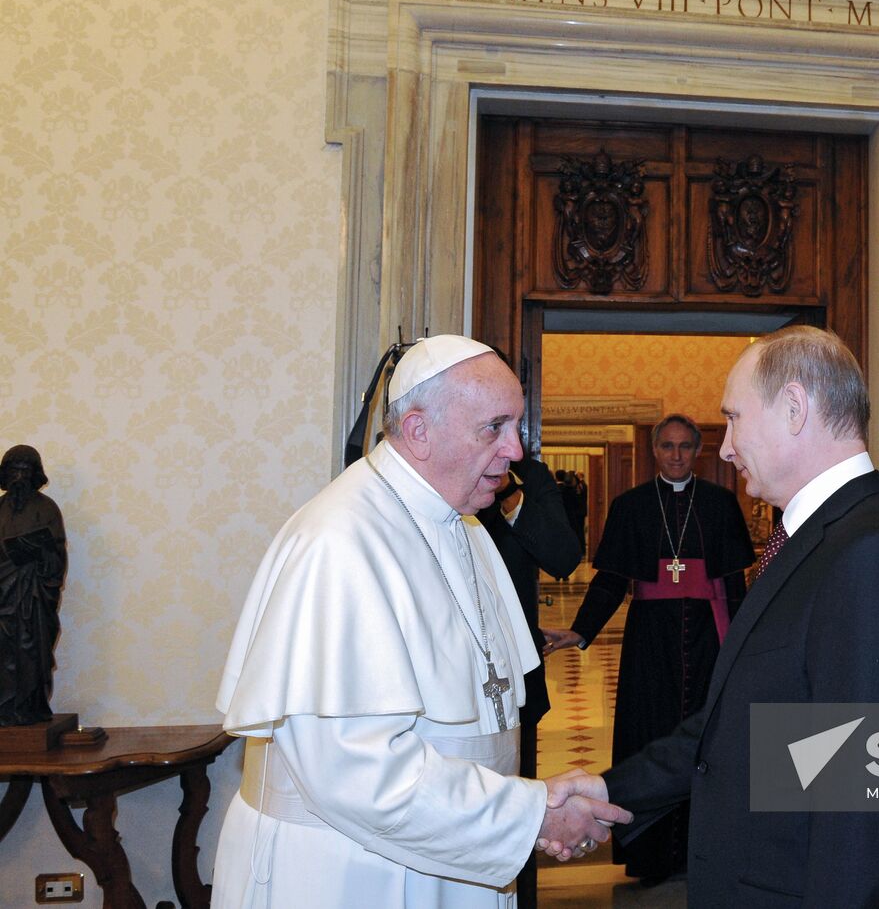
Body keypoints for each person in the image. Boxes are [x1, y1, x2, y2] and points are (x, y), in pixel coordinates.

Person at [211, 335, 630, 909]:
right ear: (418, 431)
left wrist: (530, 805)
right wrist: (528, 815)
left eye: (516, 427)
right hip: (355, 873)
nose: (516, 450)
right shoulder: (342, 542)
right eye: (495, 427)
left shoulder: (462, 523)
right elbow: (359, 773)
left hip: (449, 855)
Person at [601, 326, 879, 906]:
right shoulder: (813, 538)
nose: (725, 447)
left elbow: (868, 810)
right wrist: (607, 788)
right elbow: (738, 726)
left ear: (794, 408)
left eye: (735, 418)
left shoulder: (874, 556)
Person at [542, 413, 754, 885]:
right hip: (649, 642)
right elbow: (612, 579)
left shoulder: (719, 503)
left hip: (707, 639)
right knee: (649, 738)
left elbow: (733, 582)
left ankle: (706, 850)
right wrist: (580, 630)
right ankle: (652, 857)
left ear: (696, 451)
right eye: (667, 447)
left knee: (709, 742)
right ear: (654, 452)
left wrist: (742, 645)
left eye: (684, 447)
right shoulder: (632, 505)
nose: (676, 455)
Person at [477, 455, 582, 907]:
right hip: (441, 677)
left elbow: (563, 557)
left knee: (515, 803)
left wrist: (510, 496)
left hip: (514, 678)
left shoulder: (530, 478)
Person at [0, 445, 67, 727]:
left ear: (35, 474)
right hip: (2, 598)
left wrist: (40, 554)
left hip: (34, 599)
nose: (19, 477)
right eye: (13, 470)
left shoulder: (47, 508)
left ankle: (31, 706)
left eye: (25, 471)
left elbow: (57, 556)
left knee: (32, 652)